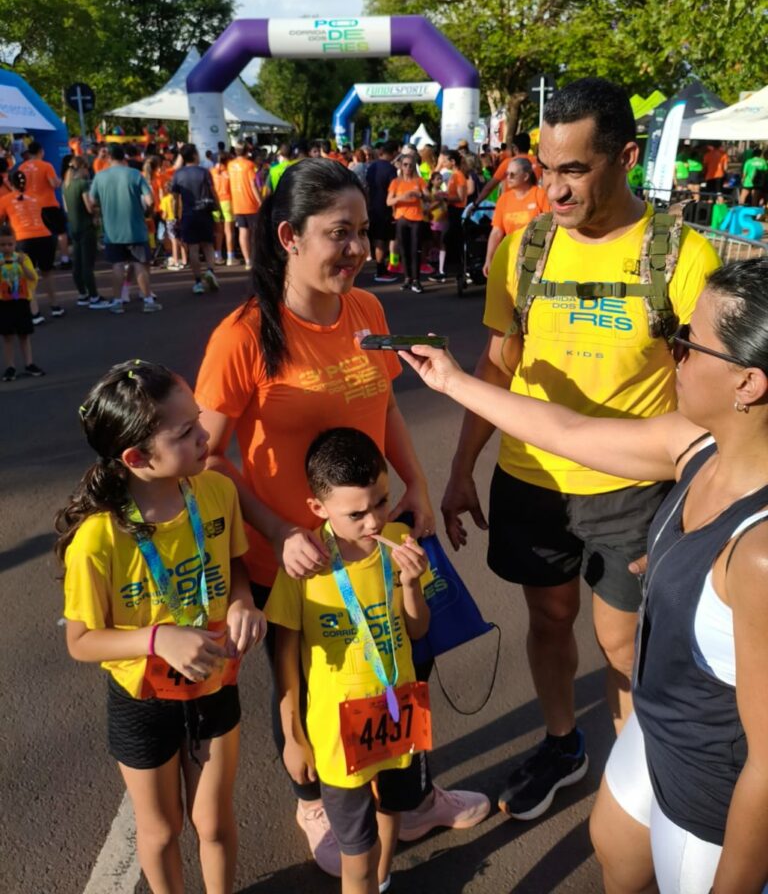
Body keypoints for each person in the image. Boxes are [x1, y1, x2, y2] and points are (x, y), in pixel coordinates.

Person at [400, 256, 768, 894]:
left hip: (710, 796)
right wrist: (455, 382)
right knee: (618, 859)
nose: (671, 352)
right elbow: (571, 430)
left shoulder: (761, 551)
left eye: (686, 341)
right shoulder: (699, 444)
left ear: (748, 383)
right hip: (655, 736)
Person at [195, 158, 488, 877]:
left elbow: (384, 401)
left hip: (374, 539)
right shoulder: (243, 334)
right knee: (308, 681)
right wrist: (277, 531)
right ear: (290, 236)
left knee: (400, 661)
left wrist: (415, 483)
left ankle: (410, 796)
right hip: (294, 561)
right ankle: (317, 800)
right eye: (339, 234)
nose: (358, 249)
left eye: (364, 231)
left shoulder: (368, 312)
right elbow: (204, 455)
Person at [439, 77, 720, 822]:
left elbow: (718, 391)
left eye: (574, 170)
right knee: (551, 619)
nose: (553, 190)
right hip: (530, 477)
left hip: (633, 486)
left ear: (625, 158)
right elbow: (499, 363)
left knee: (623, 642)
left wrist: (699, 505)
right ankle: (565, 745)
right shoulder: (525, 250)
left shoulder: (680, 256)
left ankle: (646, 785)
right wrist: (463, 467)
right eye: (545, 167)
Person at [56, 360, 266, 894]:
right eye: (186, 432)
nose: (205, 437)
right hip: (141, 701)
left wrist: (242, 603)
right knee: (162, 829)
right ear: (135, 457)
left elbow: (236, 567)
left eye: (200, 420)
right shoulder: (98, 540)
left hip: (216, 684)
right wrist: (156, 637)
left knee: (214, 823)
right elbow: (80, 640)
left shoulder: (215, 491)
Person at [268, 428, 431, 894]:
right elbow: (285, 661)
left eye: (381, 501)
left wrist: (411, 583)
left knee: (390, 818)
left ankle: (382, 882)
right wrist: (294, 736)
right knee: (355, 856)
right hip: (337, 737)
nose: (374, 520)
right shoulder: (305, 566)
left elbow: (418, 630)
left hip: (400, 718)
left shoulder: (400, 542)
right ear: (319, 509)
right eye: (355, 513)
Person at [86, 144, 161, 315]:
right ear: (124, 157)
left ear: (109, 158)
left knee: (117, 266)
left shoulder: (100, 177)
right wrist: (147, 213)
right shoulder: (134, 174)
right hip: (136, 228)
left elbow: (91, 202)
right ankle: (148, 300)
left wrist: (102, 209)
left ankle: (117, 301)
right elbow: (150, 201)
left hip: (112, 231)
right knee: (140, 264)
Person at [0, 168, 65, 322]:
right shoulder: (35, 197)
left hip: (23, 240)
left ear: (9, 182)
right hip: (45, 237)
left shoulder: (5, 200)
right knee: (47, 272)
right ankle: (55, 306)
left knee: (27, 276)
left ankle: (34, 313)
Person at [483, 158, 549, 275]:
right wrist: (489, 259)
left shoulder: (540, 195)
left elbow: (550, 227)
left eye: (512, 174)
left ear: (525, 176)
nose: (508, 177)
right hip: (511, 257)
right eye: (507, 174)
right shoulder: (504, 199)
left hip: (536, 258)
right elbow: (496, 232)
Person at [170, 145, 220, 296]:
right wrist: (218, 209)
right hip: (204, 212)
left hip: (188, 214)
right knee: (208, 245)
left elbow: (175, 198)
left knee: (193, 248)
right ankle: (210, 271)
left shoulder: (178, 174)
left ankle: (198, 282)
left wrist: (175, 216)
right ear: (194, 155)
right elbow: (213, 192)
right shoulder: (204, 172)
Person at [62, 156, 110, 309]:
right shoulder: (83, 185)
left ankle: (83, 294)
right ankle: (95, 296)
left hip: (74, 227)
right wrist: (96, 212)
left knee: (77, 263)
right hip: (86, 227)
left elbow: (66, 208)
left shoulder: (65, 185)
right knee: (88, 265)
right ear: (82, 167)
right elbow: (89, 207)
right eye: (86, 167)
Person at [0, 222, 44, 380]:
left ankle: (29, 363)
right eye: (3, 245)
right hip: (4, 302)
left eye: (10, 244)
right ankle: (10, 366)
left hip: (21, 300)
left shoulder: (23, 258)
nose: (6, 248)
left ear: (15, 243)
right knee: (7, 336)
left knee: (24, 334)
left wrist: (21, 265)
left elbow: (33, 277)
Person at [19, 140, 70, 268]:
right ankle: (65, 259)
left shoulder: (22, 167)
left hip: (31, 206)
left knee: (37, 234)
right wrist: (59, 181)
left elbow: (20, 187)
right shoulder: (46, 166)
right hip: (48, 204)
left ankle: (36, 262)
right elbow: (54, 184)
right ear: (41, 151)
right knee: (61, 232)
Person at [387, 153, 428, 293]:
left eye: (411, 165)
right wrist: (401, 197)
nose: (408, 167)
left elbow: (429, 196)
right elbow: (388, 201)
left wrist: (420, 195)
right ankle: (407, 278)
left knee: (415, 249)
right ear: (401, 166)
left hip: (416, 218)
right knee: (403, 249)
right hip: (401, 218)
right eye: (405, 164)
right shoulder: (396, 182)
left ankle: (416, 280)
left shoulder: (419, 181)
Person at [366, 143, 399, 283]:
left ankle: (381, 267)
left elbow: (367, 185)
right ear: (391, 153)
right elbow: (394, 189)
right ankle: (381, 270)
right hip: (385, 208)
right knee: (383, 239)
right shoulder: (391, 169)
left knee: (378, 238)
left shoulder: (372, 166)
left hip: (372, 206)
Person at [228, 143, 261, 269]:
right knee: (254, 233)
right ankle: (254, 258)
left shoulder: (230, 165)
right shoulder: (249, 165)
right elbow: (253, 185)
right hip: (250, 203)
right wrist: (260, 201)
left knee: (243, 231)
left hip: (237, 203)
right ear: (247, 152)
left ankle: (248, 261)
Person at [211, 152, 236, 265]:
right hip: (227, 201)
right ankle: (230, 257)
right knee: (229, 231)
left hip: (215, 202)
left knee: (218, 231)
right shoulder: (229, 171)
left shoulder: (211, 172)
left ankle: (218, 256)